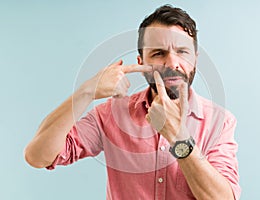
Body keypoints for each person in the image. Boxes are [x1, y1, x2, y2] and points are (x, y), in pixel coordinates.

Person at [25, 5, 241, 200]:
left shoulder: (219, 122)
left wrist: (178, 137)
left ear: (195, 58)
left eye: (182, 52)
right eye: (159, 53)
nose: (172, 63)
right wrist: (87, 91)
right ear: (141, 62)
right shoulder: (112, 113)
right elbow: (37, 156)